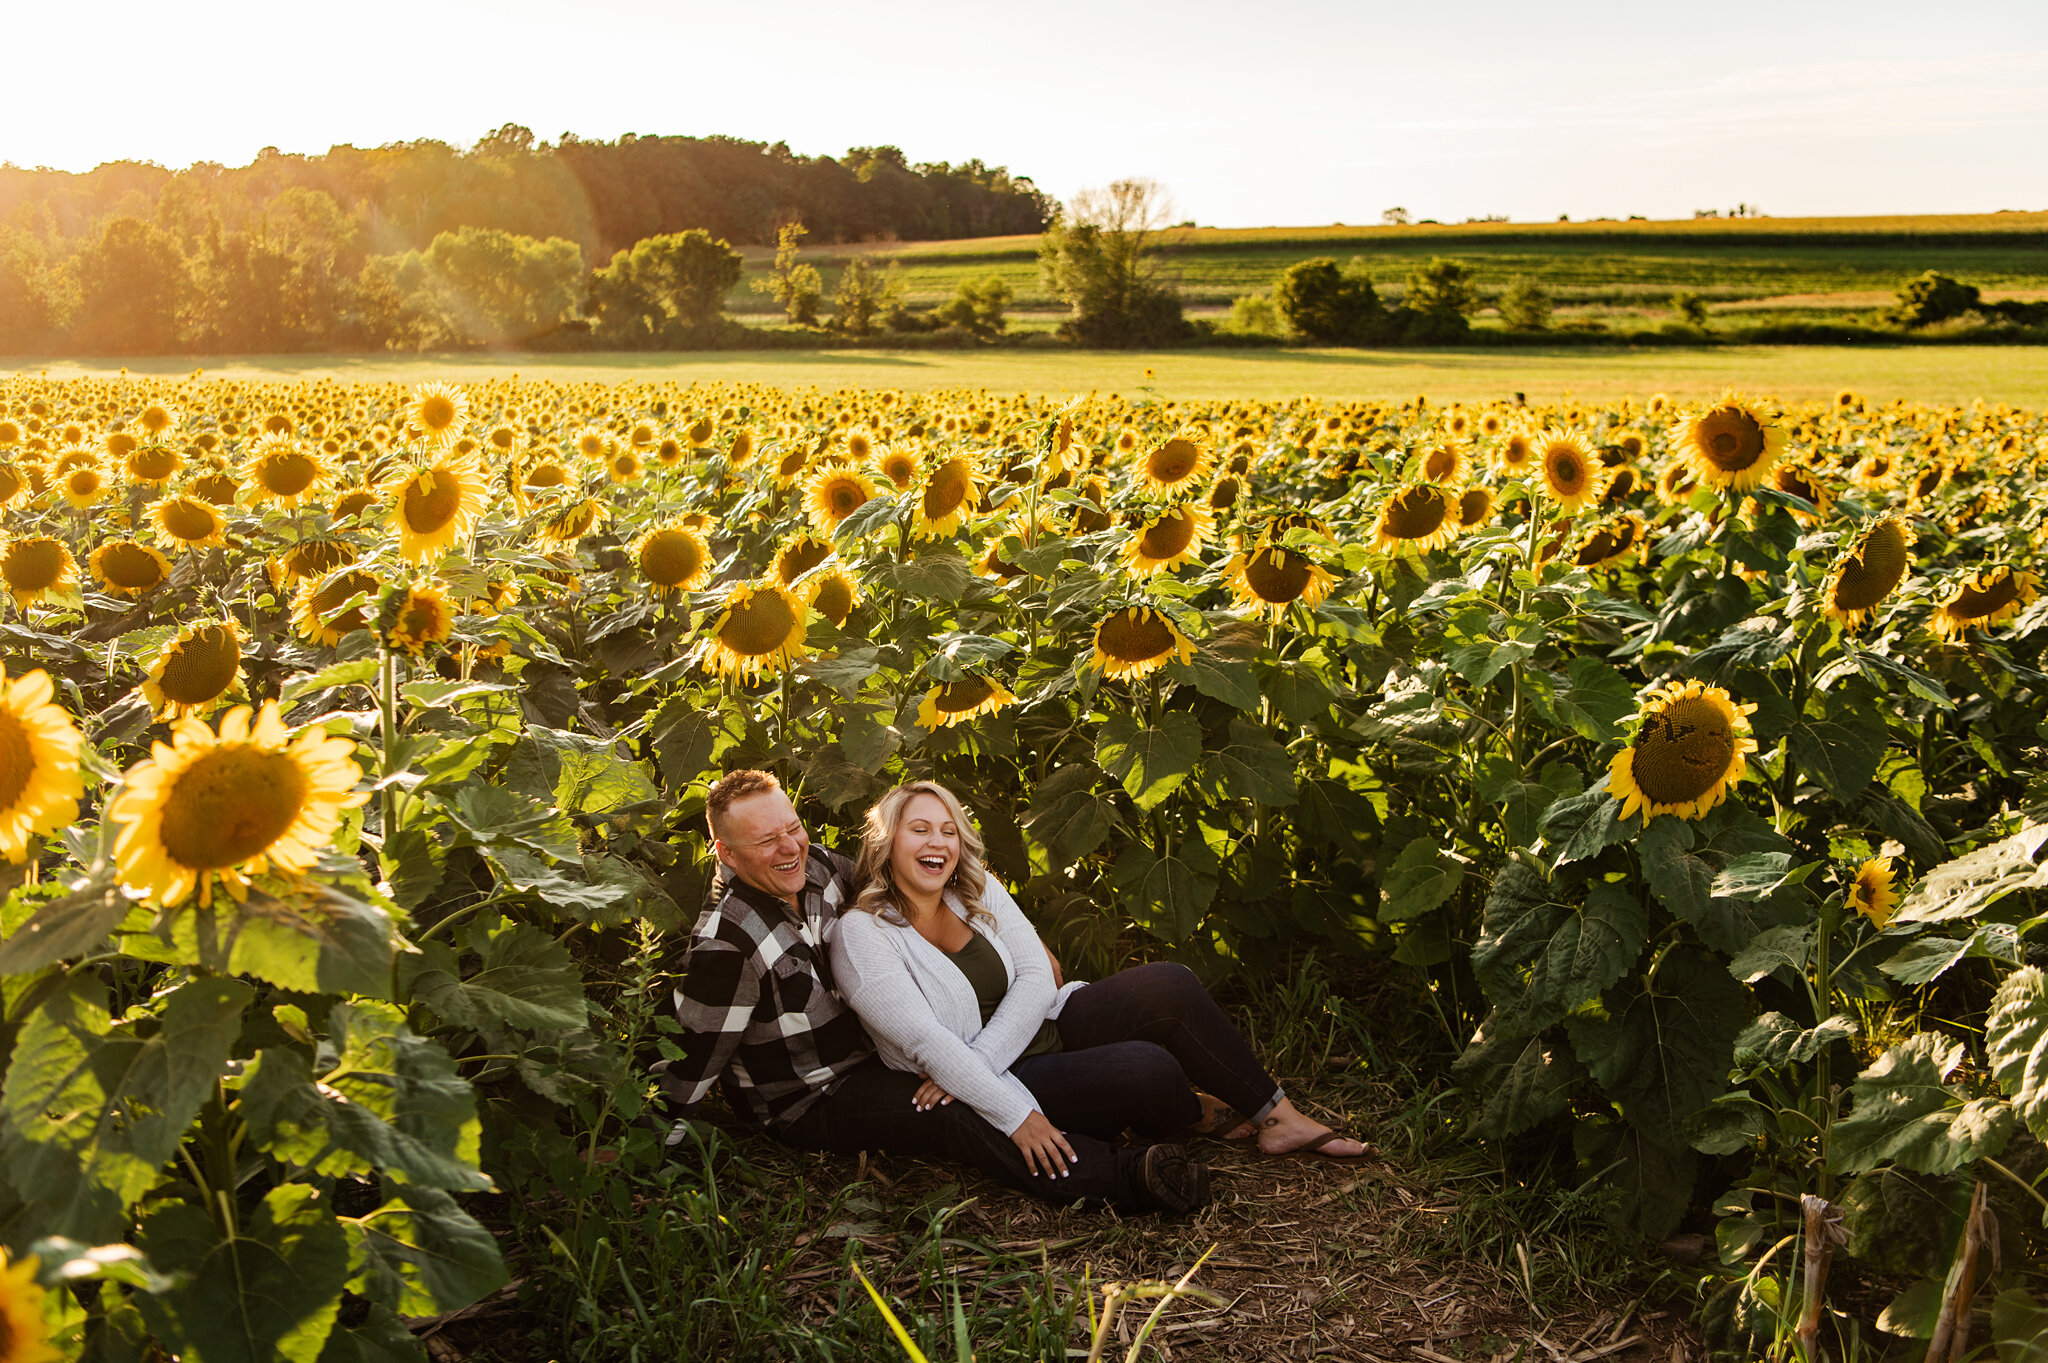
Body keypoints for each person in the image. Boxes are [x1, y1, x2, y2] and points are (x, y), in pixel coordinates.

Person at [662, 768, 1209, 1214]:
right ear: (725, 853)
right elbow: (692, 1058)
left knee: (954, 1081)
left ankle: (1078, 1115)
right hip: (813, 1095)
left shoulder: (819, 866)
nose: (789, 847)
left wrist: (1024, 943)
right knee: (949, 1112)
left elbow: (901, 873)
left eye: (793, 827)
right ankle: (1123, 1176)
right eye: (765, 840)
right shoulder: (723, 946)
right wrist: (644, 1140)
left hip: (874, 1053)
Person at [830, 781, 1370, 1161]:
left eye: (949, 831)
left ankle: (1278, 1117)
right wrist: (987, 1086)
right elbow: (929, 1047)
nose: (939, 843)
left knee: (1171, 983)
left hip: (1036, 1033)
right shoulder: (864, 934)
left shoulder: (975, 887)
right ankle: (1188, 1110)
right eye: (919, 830)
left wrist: (978, 1058)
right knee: (1148, 1070)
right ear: (887, 843)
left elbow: (1040, 978)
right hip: (1011, 1080)